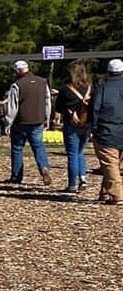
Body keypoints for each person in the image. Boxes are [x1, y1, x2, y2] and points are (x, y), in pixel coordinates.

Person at [5, 60, 53, 185]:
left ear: (17, 71)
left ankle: (16, 176)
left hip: (20, 121)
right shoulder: (43, 82)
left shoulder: (17, 85)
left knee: (17, 148)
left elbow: (13, 106)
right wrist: (47, 119)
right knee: (38, 146)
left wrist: (8, 122)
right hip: (37, 120)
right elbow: (47, 102)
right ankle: (44, 167)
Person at [88, 58, 123, 205]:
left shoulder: (102, 89)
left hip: (107, 130)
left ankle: (117, 195)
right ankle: (105, 192)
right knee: (114, 163)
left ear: (108, 72)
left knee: (110, 164)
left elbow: (95, 109)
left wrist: (93, 127)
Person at [54, 61, 92, 194]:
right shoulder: (90, 88)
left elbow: (58, 107)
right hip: (87, 124)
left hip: (72, 124)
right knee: (80, 152)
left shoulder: (65, 89)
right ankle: (83, 178)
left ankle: (72, 184)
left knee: (72, 154)